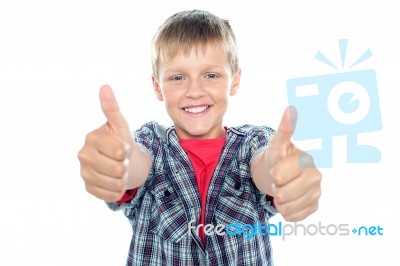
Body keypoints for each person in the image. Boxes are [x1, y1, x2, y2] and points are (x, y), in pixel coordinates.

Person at [78, 9, 322, 265]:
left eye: (211, 75)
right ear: (157, 87)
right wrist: (119, 163)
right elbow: (134, 164)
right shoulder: (152, 144)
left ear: (235, 81)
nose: (194, 91)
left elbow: (267, 166)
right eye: (177, 77)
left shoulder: (251, 144)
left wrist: (283, 173)